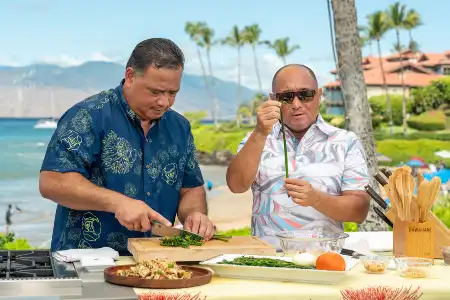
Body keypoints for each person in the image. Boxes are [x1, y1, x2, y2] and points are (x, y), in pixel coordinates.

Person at [39, 38, 215, 255]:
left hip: (158, 261)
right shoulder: (88, 115)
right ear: (130, 76)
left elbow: (190, 188)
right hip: (86, 263)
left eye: (172, 93)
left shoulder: (180, 127)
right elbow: (52, 181)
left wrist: (195, 216)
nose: (165, 102)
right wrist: (117, 203)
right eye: (155, 92)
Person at [226, 64, 370, 247]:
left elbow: (359, 210)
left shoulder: (345, 141)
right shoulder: (255, 139)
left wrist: (316, 199)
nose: (296, 104)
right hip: (268, 261)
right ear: (273, 100)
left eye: (305, 95)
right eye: (286, 97)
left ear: (318, 96)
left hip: (325, 261)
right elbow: (236, 185)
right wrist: (260, 133)